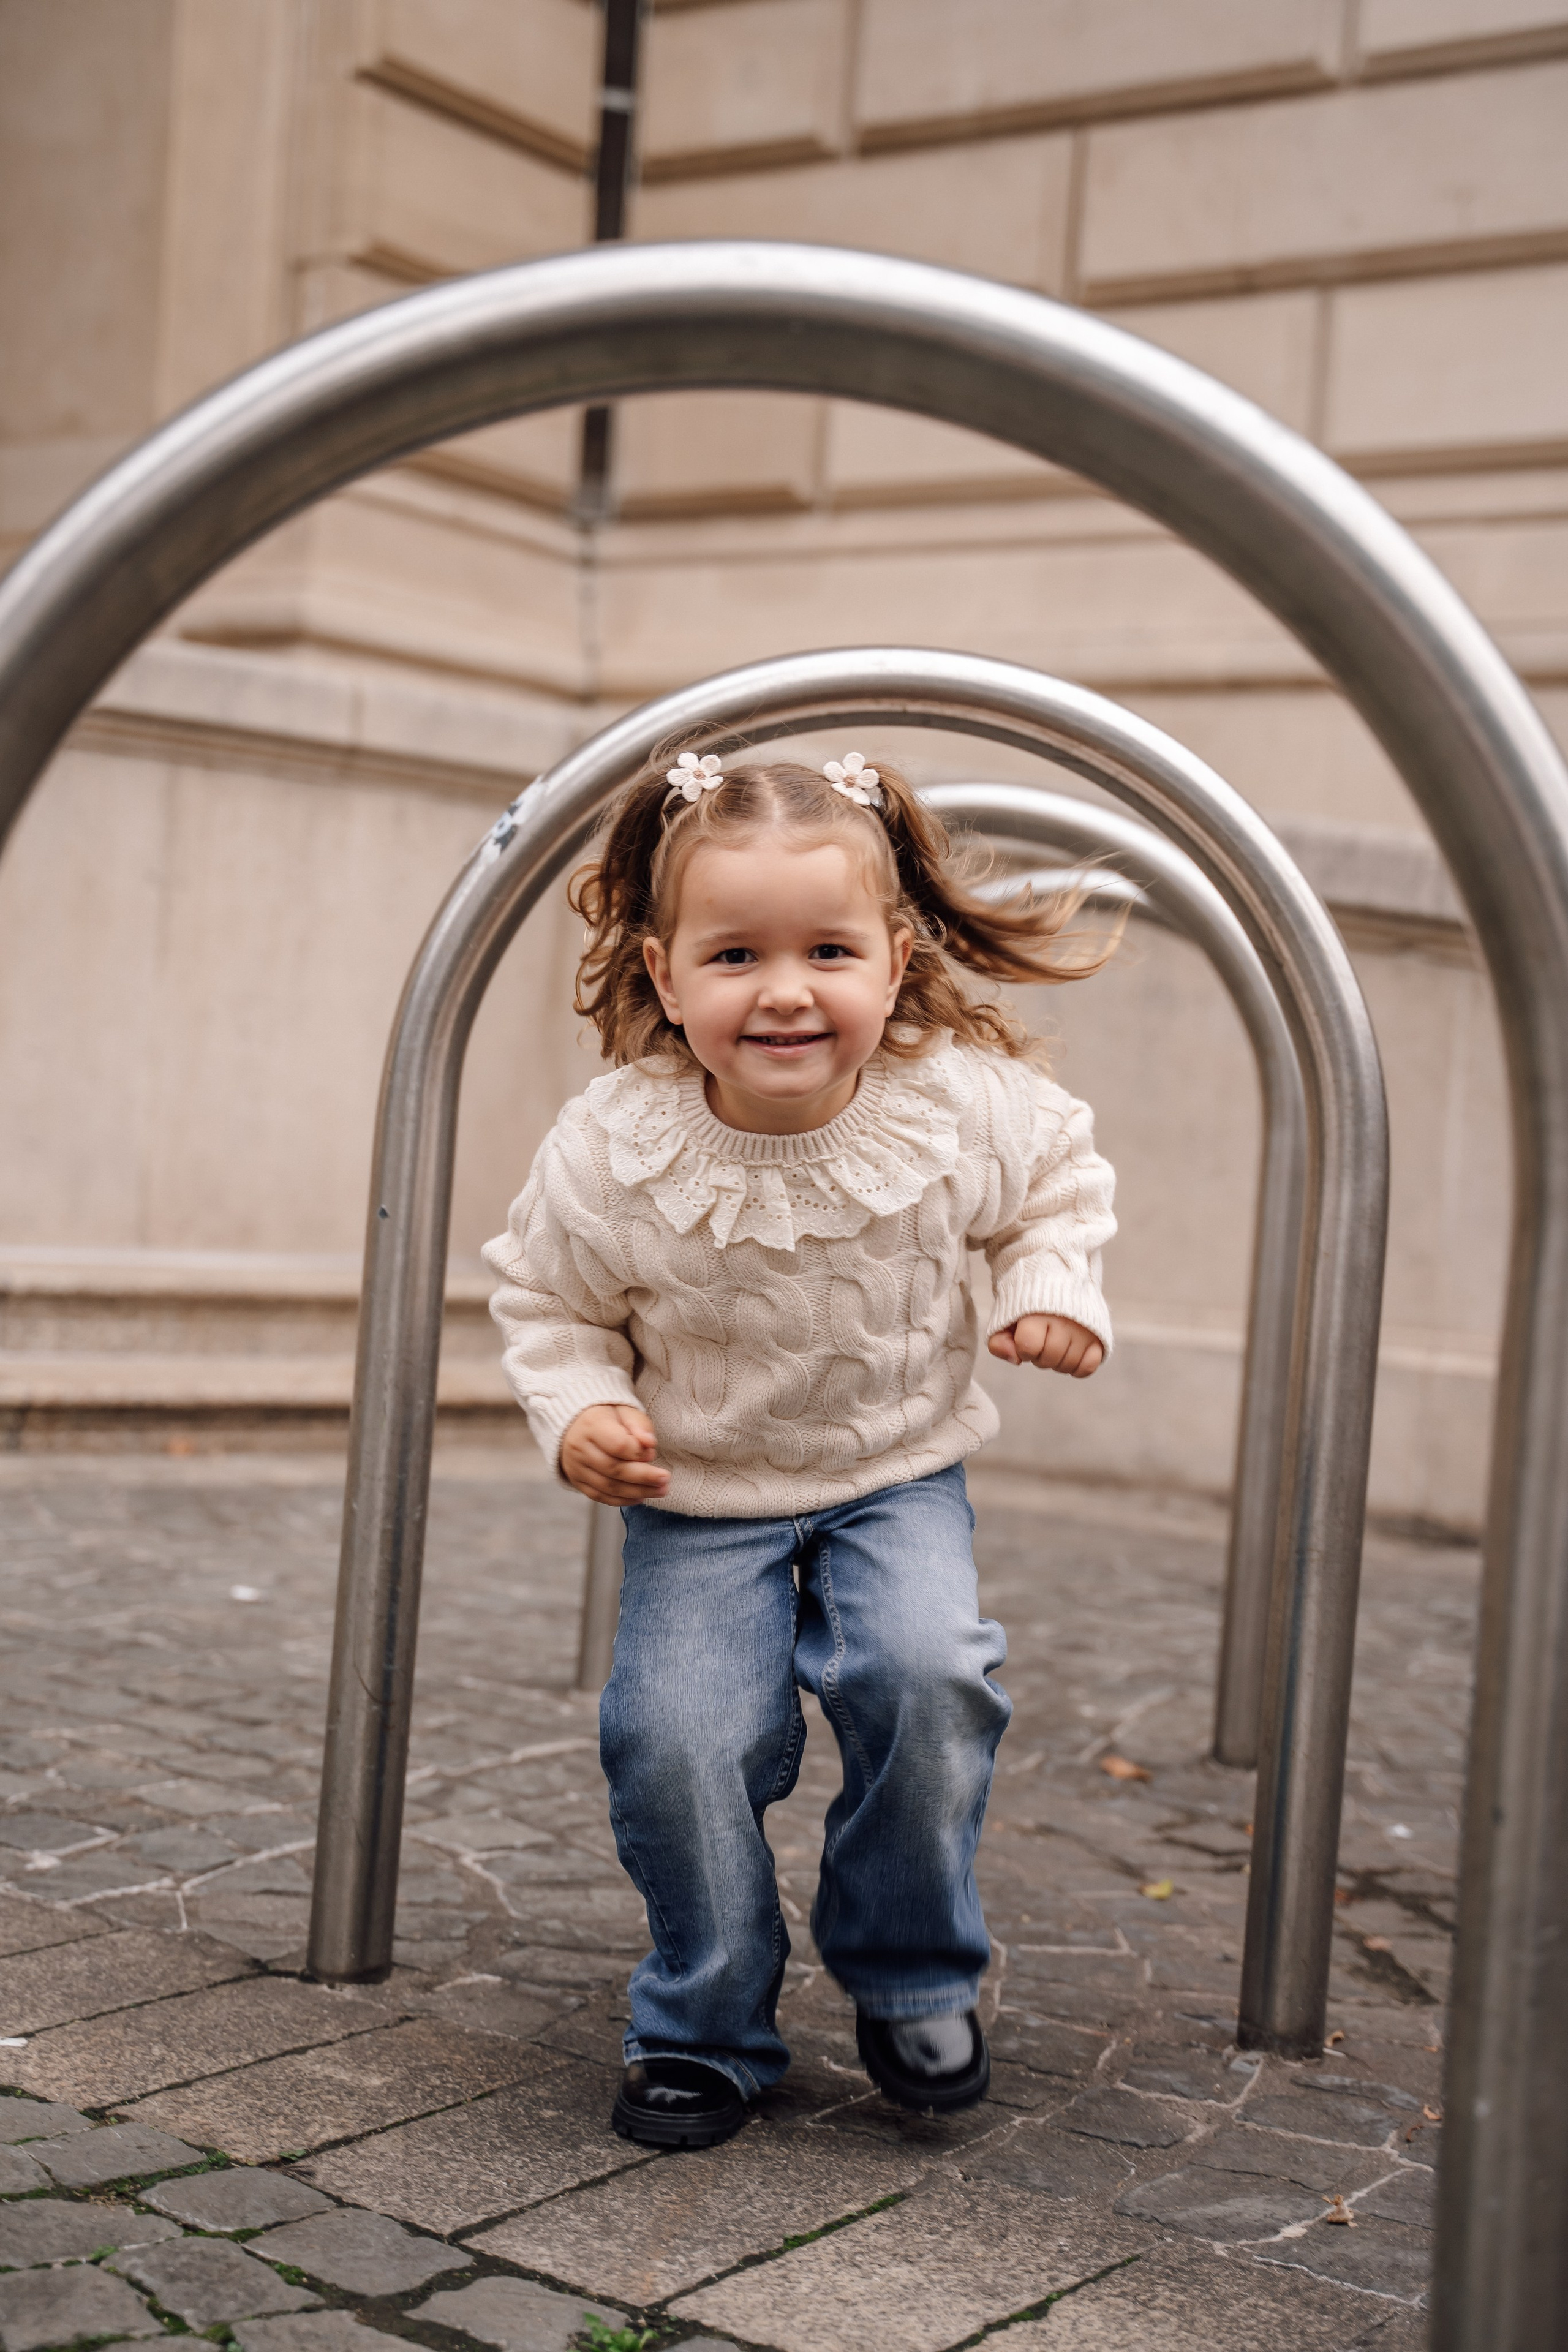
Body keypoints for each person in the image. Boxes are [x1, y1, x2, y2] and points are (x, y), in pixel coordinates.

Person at [483, 745, 1115, 2148]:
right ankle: (702, 2020)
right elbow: (547, 1300)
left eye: (827, 948)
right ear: (663, 972)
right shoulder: (610, 1148)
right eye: (733, 954)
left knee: (927, 1672)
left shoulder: (957, 1107)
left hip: (894, 1476)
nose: (783, 990)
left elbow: (1056, 1184)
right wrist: (579, 1408)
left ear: (893, 959)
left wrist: (1049, 1287)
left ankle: (908, 1975)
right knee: (673, 1735)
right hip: (702, 1499)